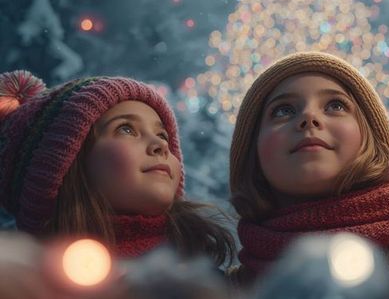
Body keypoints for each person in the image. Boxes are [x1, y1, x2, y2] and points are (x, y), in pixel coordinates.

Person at [227, 51, 389, 296]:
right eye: (283, 110)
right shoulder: (213, 290)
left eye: (335, 105)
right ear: (251, 150)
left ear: (371, 137)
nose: (309, 117)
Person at [0, 71, 234, 264]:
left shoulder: (209, 275)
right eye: (126, 129)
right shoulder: (26, 286)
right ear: (65, 165)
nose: (161, 145)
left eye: (162, 134)